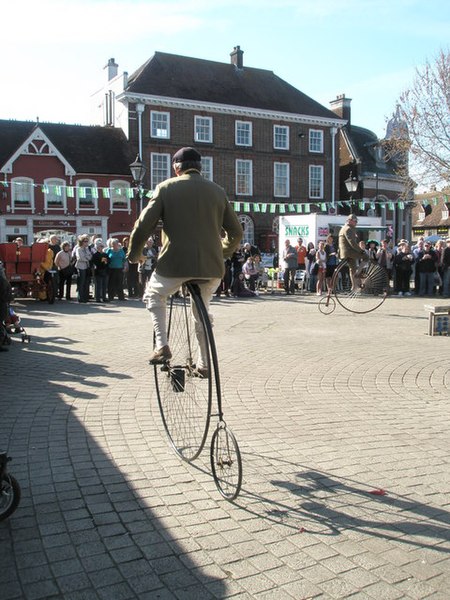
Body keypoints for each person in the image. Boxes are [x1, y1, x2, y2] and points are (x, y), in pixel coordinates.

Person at [127, 146, 242, 374]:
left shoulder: (166, 188)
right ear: (200, 167)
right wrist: (222, 253)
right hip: (211, 268)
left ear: (176, 168)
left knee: (154, 295)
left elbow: (142, 226)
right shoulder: (218, 191)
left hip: (174, 265)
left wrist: (135, 254)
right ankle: (204, 363)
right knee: (202, 314)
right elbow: (236, 232)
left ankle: (162, 346)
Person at [338, 214, 366, 290]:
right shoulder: (348, 229)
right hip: (349, 252)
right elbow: (352, 243)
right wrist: (361, 251)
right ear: (350, 221)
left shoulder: (343, 228)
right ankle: (358, 274)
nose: (356, 223)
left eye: (356, 221)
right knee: (366, 257)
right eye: (355, 221)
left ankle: (354, 286)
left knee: (352, 268)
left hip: (345, 252)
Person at [74, 235, 92, 303]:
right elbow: (80, 258)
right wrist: (86, 258)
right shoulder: (78, 249)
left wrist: (86, 258)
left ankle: (85, 297)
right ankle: (80, 298)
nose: (86, 243)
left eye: (87, 241)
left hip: (87, 267)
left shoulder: (87, 249)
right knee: (81, 282)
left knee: (86, 282)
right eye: (85, 241)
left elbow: (90, 256)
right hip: (81, 267)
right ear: (81, 242)